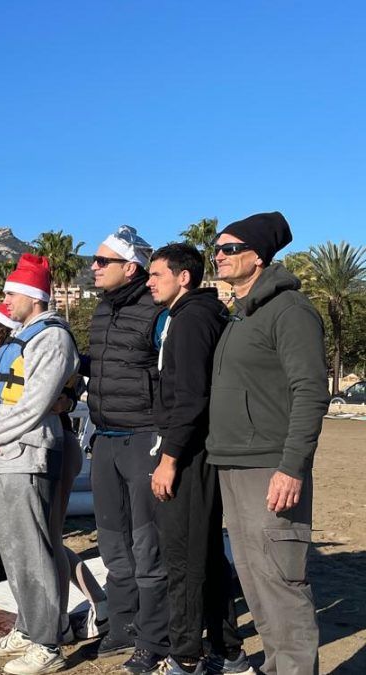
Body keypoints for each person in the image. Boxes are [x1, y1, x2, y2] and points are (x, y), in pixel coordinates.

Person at [208, 212, 328, 675]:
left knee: (282, 582)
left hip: (270, 467)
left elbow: (311, 391)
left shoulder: (290, 310)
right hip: (234, 464)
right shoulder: (243, 314)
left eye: (230, 248)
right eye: (216, 249)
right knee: (257, 585)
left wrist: (292, 466)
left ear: (258, 255)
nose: (219, 255)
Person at [0, 254, 78, 674]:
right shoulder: (21, 334)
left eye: (12, 292)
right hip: (2, 455)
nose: (5, 299)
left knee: (33, 550)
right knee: (15, 550)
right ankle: (31, 626)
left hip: (28, 453)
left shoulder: (51, 339)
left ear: (33, 296)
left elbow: (35, 403)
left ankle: (49, 642)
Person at [144, 243, 247, 675]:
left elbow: (189, 399)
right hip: (195, 447)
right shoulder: (193, 315)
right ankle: (228, 650)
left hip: (189, 452)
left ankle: (186, 656)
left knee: (182, 556)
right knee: (204, 552)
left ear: (183, 277)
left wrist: (169, 458)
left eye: (156, 275)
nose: (149, 282)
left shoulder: (189, 321)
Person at [84, 225, 170, 671]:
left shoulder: (156, 311)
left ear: (129, 267)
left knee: (146, 543)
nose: (93, 268)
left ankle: (156, 635)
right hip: (105, 439)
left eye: (102, 261)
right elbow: (101, 367)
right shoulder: (101, 311)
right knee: (112, 539)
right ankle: (122, 625)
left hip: (142, 438)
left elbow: (171, 376)